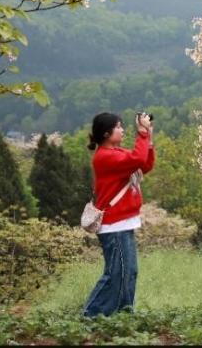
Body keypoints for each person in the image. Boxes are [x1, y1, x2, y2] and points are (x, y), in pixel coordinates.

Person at [82, 111, 155, 318]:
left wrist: (148, 138)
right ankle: (91, 315)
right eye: (118, 127)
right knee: (116, 274)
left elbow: (144, 164)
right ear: (106, 133)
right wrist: (142, 133)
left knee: (128, 273)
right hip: (114, 225)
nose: (122, 130)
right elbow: (137, 158)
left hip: (123, 223)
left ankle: (123, 316)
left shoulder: (116, 153)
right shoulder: (105, 157)